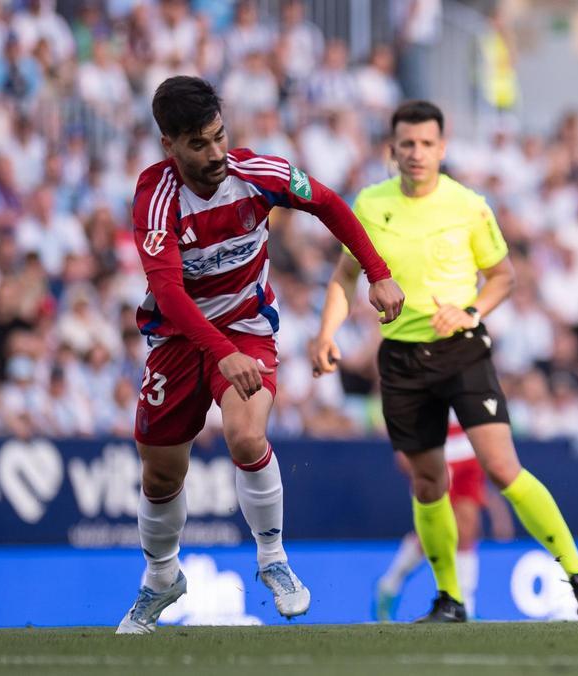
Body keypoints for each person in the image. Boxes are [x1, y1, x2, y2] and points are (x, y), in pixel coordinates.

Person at [117, 76, 404, 635]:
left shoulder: (257, 173)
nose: (215, 153)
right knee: (160, 474)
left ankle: (273, 559)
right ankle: (161, 577)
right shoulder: (155, 197)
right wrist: (218, 351)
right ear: (169, 145)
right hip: (179, 340)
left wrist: (378, 272)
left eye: (219, 136)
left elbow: (329, 203)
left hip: (247, 329)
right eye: (198, 144)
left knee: (247, 437)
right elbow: (169, 293)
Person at [311, 100, 578, 623]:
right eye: (407, 144)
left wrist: (470, 311)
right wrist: (326, 333)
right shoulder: (370, 205)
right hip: (400, 359)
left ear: (442, 148)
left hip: (462, 350)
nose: (417, 153)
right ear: (392, 149)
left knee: (502, 467)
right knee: (429, 483)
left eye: (426, 144)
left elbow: (503, 277)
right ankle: (450, 598)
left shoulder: (468, 205)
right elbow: (344, 276)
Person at [373, 419, 514, 620]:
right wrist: (405, 447)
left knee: (467, 529)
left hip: (468, 445)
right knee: (434, 534)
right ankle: (390, 583)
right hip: (434, 444)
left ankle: (465, 606)